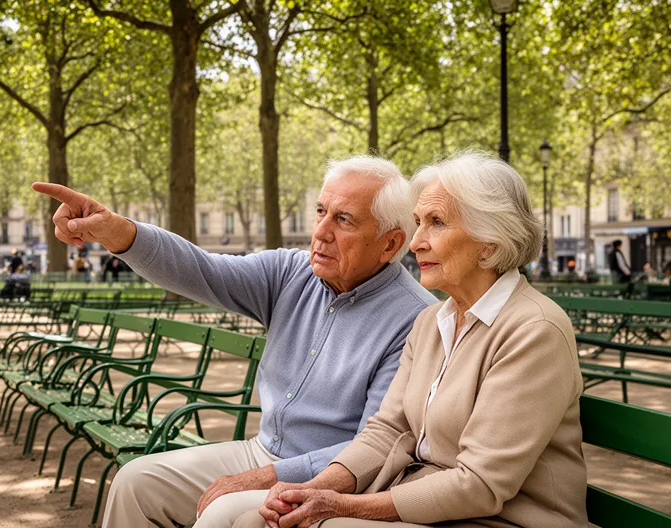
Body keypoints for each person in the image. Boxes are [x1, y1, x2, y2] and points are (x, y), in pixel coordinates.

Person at [33, 155, 437, 528]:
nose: (320, 231)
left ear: (389, 244)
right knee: (134, 481)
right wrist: (116, 231)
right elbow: (201, 270)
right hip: (261, 451)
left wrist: (267, 476)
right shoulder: (290, 272)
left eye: (343, 220)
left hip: (331, 477)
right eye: (320, 212)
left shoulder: (414, 318)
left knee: (219, 516)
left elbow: (373, 446)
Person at [236, 151, 587, 528]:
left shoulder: (535, 330)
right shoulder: (431, 322)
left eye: (436, 223)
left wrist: (340, 506)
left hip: (503, 519)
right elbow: (386, 431)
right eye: (418, 222)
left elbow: (480, 486)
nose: (415, 242)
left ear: (490, 241)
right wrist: (313, 490)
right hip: (425, 505)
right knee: (246, 519)